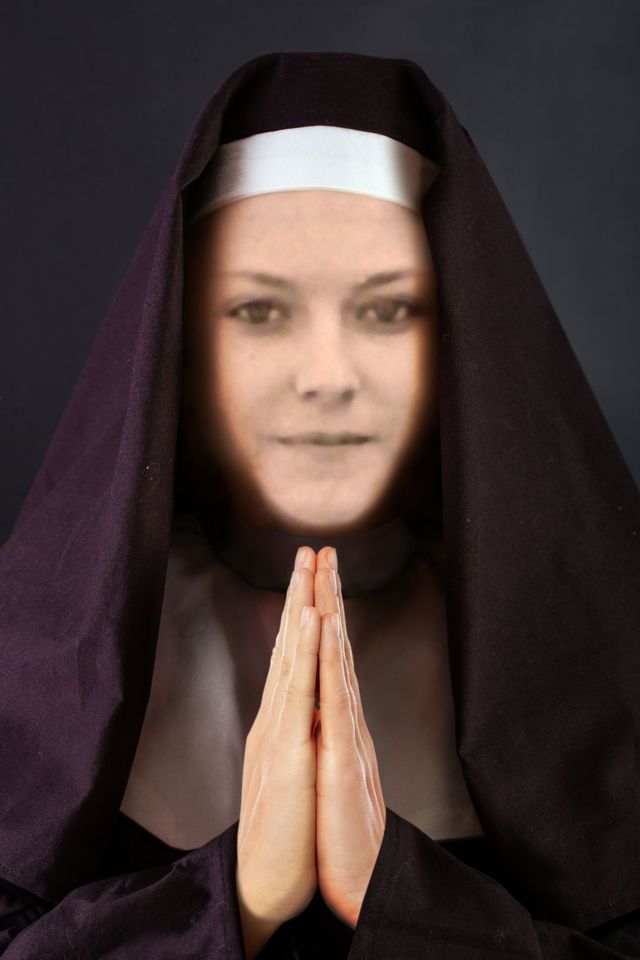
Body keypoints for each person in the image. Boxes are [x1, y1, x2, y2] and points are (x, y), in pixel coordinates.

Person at [1, 50, 639, 960]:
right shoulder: (35, 665)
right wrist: (237, 901)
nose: (327, 378)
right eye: (259, 312)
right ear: (180, 347)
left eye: (388, 310)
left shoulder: (606, 661)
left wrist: (398, 896)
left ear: (464, 341)